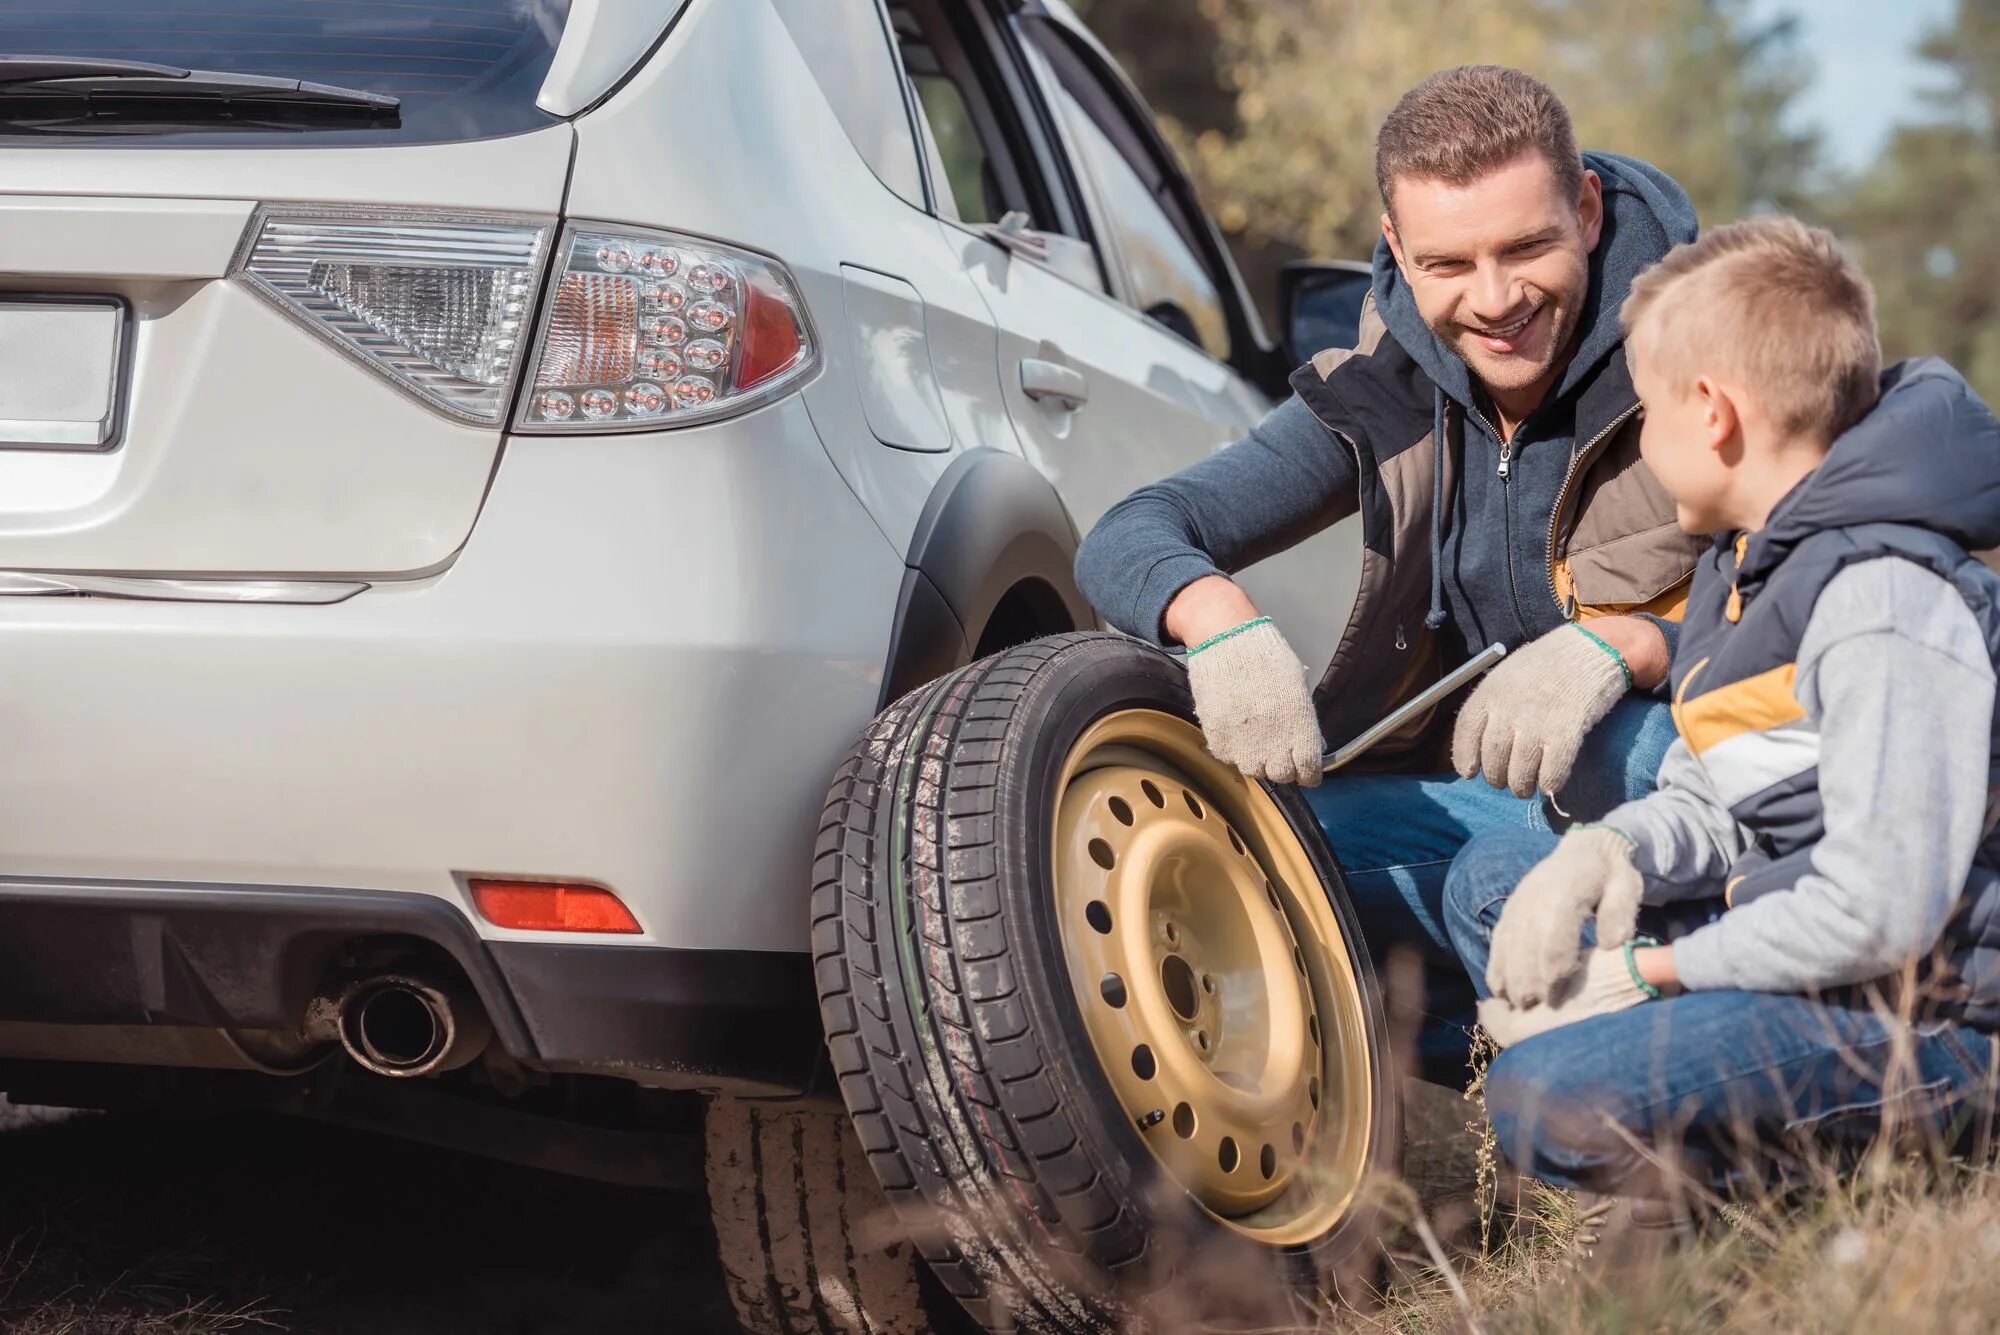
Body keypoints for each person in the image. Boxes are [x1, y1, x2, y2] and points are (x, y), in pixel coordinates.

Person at [1073, 65, 1705, 1081]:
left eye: (1526, 247)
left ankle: (1726, 1041)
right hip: (1513, 793)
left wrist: (1630, 644)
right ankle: (1527, 1056)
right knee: (1259, 862)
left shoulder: (1709, 344)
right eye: (1447, 263)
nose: (1494, 300)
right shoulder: (1385, 391)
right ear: (1394, 249)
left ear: (1584, 211)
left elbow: (1829, 600)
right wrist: (1218, 620)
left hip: (1701, 771)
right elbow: (1133, 529)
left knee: (1603, 761)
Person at [1444, 217, 2000, 1205]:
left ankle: (1743, 1215)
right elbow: (1715, 800)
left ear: (1710, 413)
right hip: (1806, 934)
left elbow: (1882, 914)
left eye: (1647, 414)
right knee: (1500, 880)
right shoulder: (1738, 568)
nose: (1643, 448)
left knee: (1545, 1100)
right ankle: (1702, 1106)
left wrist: (1653, 973)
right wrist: (1603, 855)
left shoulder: (1878, 600)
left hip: (1943, 1011)